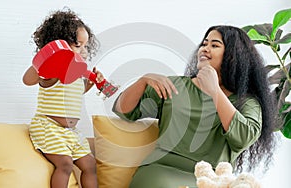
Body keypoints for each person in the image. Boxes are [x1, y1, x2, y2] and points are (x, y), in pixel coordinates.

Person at [113, 25, 279, 187]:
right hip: (161, 171)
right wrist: (143, 80)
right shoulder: (174, 85)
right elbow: (124, 111)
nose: (205, 49)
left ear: (233, 56)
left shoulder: (247, 102)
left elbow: (244, 138)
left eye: (214, 45)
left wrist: (214, 91)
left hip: (211, 179)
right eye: (204, 44)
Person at [23, 9, 100, 188]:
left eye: (85, 46)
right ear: (61, 45)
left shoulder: (76, 74)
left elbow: (74, 95)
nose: (83, 51)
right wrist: (47, 56)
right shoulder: (51, 71)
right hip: (49, 128)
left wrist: (91, 83)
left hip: (70, 133)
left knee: (90, 165)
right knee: (64, 165)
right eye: (77, 45)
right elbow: (28, 80)